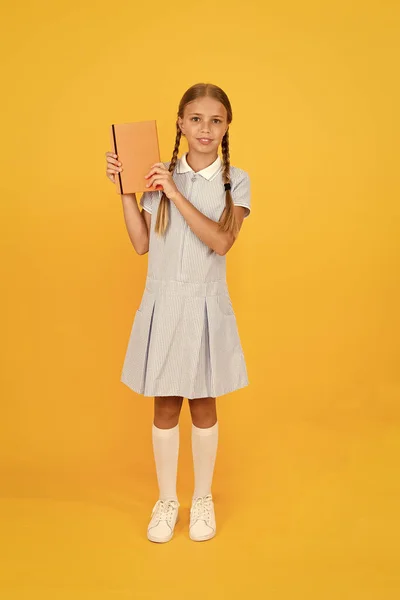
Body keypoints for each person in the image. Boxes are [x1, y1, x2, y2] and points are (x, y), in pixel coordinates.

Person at [105, 82, 251, 543]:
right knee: (166, 404)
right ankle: (167, 500)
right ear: (180, 123)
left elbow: (222, 241)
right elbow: (142, 243)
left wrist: (174, 191)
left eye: (215, 120)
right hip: (164, 302)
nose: (205, 128)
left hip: (205, 304)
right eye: (195, 119)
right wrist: (127, 191)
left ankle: (202, 497)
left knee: (204, 403)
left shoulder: (236, 179)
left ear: (227, 126)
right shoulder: (158, 174)